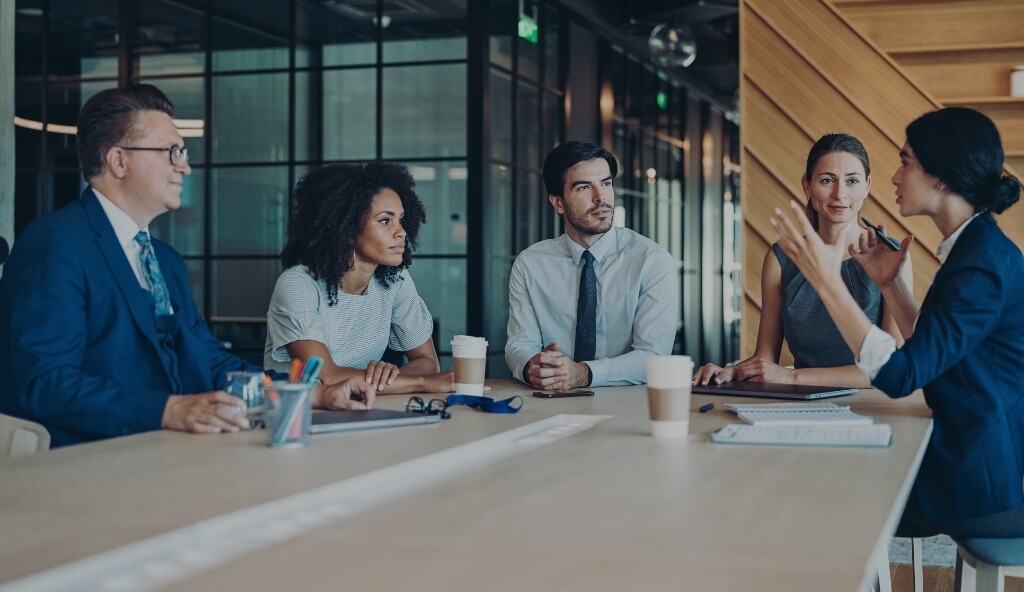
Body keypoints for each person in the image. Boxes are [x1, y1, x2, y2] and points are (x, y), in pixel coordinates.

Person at [0, 84, 374, 447]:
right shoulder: (54, 244)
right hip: (89, 465)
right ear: (119, 160)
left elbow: (209, 361)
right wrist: (169, 410)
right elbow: (46, 383)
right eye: (171, 151)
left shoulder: (165, 260)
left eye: (183, 152)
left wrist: (313, 394)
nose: (185, 167)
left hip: (171, 452)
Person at [772, 107, 1024, 534]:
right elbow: (933, 353)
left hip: (978, 481)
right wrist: (890, 285)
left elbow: (901, 375)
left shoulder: (981, 263)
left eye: (906, 162)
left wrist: (827, 280)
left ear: (941, 177)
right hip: (972, 459)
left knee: (806, 494)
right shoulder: (975, 249)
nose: (893, 177)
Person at [693, 134, 910, 387]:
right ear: (807, 186)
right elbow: (765, 356)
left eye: (852, 181)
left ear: (867, 186)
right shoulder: (780, 259)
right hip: (802, 400)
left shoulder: (891, 256)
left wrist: (793, 376)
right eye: (827, 180)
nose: (840, 193)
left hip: (874, 405)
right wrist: (729, 372)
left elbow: (891, 366)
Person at [265, 163, 453, 395]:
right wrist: (420, 383)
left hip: (363, 406)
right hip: (302, 415)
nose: (401, 232)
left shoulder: (395, 280)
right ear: (346, 227)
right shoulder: (298, 284)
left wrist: (389, 377)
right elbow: (327, 377)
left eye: (401, 220)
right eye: (385, 221)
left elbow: (427, 361)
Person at [505, 141, 678, 390]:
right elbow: (519, 344)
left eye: (606, 183)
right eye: (584, 187)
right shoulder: (530, 264)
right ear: (558, 202)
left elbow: (654, 356)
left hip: (628, 408)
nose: (601, 198)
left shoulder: (651, 260)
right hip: (551, 403)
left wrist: (584, 373)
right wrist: (531, 366)